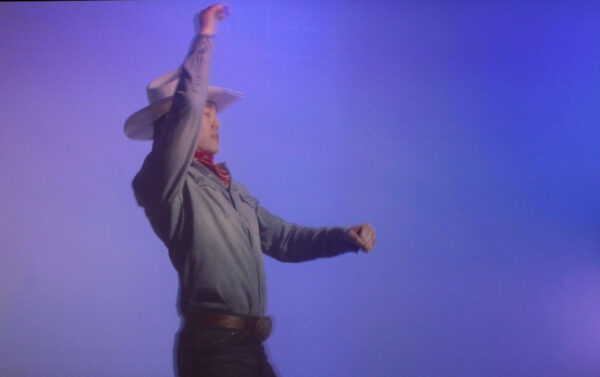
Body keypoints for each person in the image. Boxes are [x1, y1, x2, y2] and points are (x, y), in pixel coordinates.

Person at [124, 4, 375, 377]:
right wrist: (205, 35)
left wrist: (342, 238)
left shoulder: (232, 189)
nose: (217, 123)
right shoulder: (161, 179)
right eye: (208, 113)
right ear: (180, 124)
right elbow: (186, 108)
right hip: (214, 348)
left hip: (247, 347)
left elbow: (284, 239)